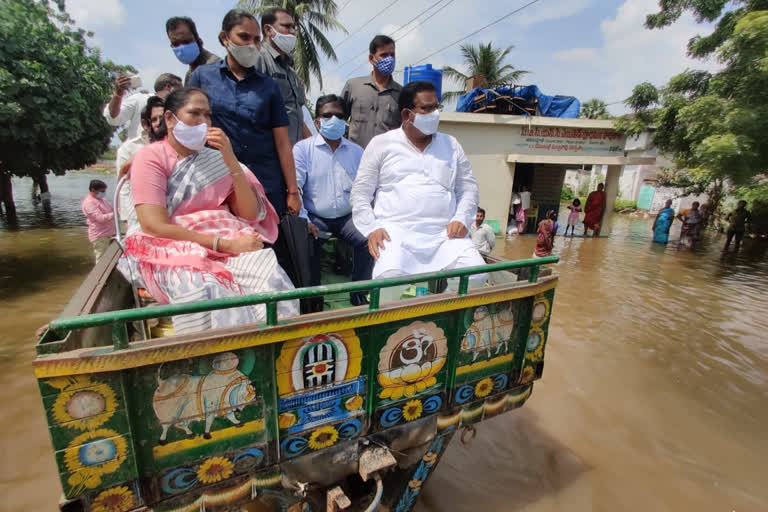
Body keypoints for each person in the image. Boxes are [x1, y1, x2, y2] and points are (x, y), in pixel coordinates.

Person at [118, 88, 298, 334]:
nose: (203, 122)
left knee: (271, 278)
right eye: (194, 114)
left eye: (208, 116)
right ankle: (217, 361)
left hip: (226, 243)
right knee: (203, 290)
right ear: (170, 119)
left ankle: (273, 349)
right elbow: (154, 226)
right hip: (170, 248)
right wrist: (223, 245)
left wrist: (231, 161)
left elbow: (249, 214)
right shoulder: (150, 158)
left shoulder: (216, 159)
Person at [351, 81, 485, 292]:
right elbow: (360, 194)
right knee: (386, 280)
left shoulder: (451, 145)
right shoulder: (381, 144)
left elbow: (468, 188)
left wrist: (461, 218)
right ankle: (394, 325)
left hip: (444, 234)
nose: (435, 113)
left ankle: (444, 319)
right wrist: (372, 229)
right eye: (427, 108)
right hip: (395, 233)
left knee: (477, 274)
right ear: (406, 114)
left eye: (437, 107)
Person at [188, 9, 301, 218]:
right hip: (216, 181)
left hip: (265, 182)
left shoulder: (269, 86)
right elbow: (185, 125)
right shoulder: (203, 78)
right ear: (224, 38)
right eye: (244, 37)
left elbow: (283, 143)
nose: (252, 45)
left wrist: (293, 191)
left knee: (268, 244)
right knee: (226, 243)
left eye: (257, 40)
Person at [294, 94, 371, 305]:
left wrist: (367, 217)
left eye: (339, 115)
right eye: (327, 115)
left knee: (369, 239)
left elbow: (364, 189)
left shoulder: (356, 151)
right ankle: (313, 300)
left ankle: (359, 294)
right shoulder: (303, 149)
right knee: (308, 241)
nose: (333, 120)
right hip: (316, 215)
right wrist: (305, 220)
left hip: (347, 217)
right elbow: (296, 188)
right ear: (317, 120)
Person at [255, 8, 308, 145]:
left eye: (293, 27)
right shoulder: (259, 57)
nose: (292, 31)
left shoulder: (291, 71)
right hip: (270, 150)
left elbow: (298, 113)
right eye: (286, 26)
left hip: (293, 151)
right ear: (268, 30)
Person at [341, 35, 403, 148]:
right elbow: (339, 121)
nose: (389, 59)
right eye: (384, 55)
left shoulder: (401, 93)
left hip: (386, 160)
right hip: (356, 158)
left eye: (392, 55)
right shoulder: (353, 86)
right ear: (371, 58)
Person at [115, 96, 166, 223]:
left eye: (163, 119)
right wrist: (128, 220)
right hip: (139, 217)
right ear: (145, 124)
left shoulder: (178, 145)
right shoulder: (128, 149)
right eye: (154, 119)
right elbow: (124, 188)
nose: (159, 123)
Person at [103, 73, 182, 140]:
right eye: (180, 89)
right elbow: (113, 119)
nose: (182, 94)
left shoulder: (178, 110)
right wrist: (118, 94)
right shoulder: (139, 100)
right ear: (168, 87)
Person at [166, 16, 221, 86]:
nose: (182, 47)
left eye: (186, 42)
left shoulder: (214, 68)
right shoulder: (189, 74)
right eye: (176, 44)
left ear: (198, 40)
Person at [81, 179, 116, 263]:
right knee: (101, 259)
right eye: (102, 191)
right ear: (93, 190)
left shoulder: (102, 199)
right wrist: (115, 214)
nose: (104, 193)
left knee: (110, 258)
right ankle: (98, 276)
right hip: (100, 235)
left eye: (104, 191)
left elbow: (112, 210)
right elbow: (100, 218)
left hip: (109, 232)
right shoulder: (89, 203)